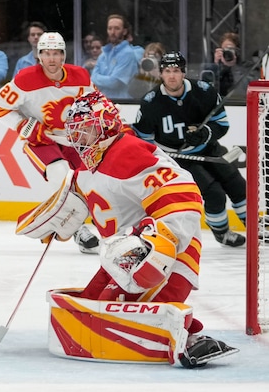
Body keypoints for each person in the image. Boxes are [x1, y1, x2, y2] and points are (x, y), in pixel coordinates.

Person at [35, 90, 238, 368]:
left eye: (85, 130)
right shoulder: (86, 168)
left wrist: (159, 244)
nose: (77, 140)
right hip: (122, 257)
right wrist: (64, 217)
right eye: (75, 133)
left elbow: (186, 195)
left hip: (168, 254)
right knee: (90, 306)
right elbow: (87, 200)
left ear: (105, 124)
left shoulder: (126, 151)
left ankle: (191, 335)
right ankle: (187, 331)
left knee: (125, 314)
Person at [0, 31, 100, 255]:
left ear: (64, 56)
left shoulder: (80, 75)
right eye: (46, 53)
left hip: (75, 140)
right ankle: (79, 230)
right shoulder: (25, 79)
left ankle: (103, 225)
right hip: (42, 141)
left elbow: (96, 104)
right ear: (38, 56)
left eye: (57, 53)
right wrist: (26, 127)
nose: (51, 59)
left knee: (90, 181)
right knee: (59, 173)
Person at [133, 52, 247, 247]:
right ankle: (222, 233)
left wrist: (205, 134)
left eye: (176, 71)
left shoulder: (204, 91)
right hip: (178, 158)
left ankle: (255, 227)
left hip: (208, 149)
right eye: (167, 71)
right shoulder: (151, 103)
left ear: (184, 73)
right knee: (214, 194)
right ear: (160, 74)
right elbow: (142, 140)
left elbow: (222, 124)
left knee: (237, 185)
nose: (172, 76)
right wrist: (159, 160)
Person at [90, 14, 139, 99]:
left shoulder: (128, 53)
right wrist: (105, 79)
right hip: (103, 103)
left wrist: (97, 78)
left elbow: (115, 83)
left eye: (117, 28)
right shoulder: (104, 53)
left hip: (123, 104)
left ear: (124, 31)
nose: (112, 32)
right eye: (110, 28)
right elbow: (92, 79)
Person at [202, 32, 258, 99]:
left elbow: (243, 90)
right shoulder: (212, 70)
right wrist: (216, 66)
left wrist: (233, 67)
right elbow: (207, 90)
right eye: (225, 50)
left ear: (237, 51)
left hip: (240, 104)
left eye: (231, 49)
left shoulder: (248, 67)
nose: (228, 52)